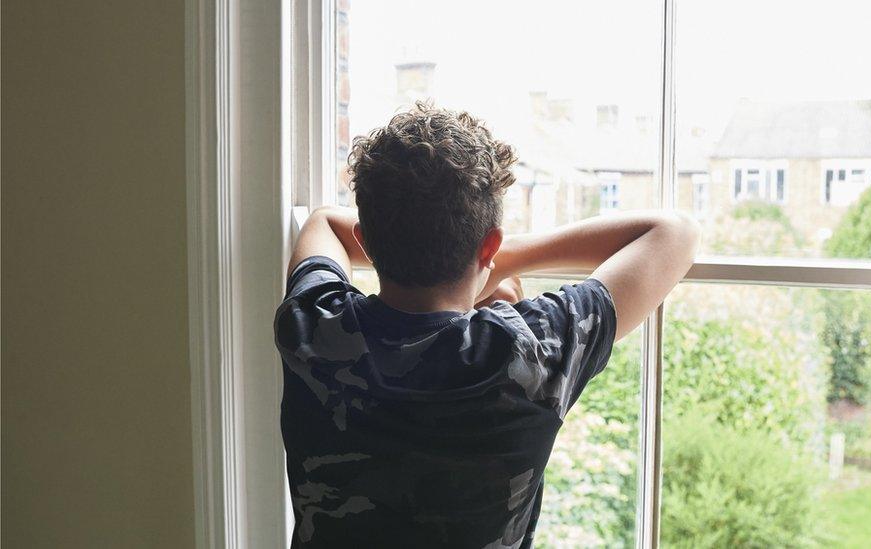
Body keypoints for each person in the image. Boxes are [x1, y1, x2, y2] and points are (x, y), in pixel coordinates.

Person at [274, 103, 699, 548]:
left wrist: (480, 255)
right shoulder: (527, 351)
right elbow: (675, 233)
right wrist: (498, 259)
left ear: (366, 241)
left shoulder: (314, 326)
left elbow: (324, 221)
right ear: (489, 244)